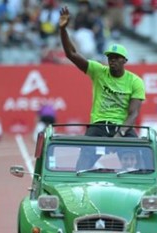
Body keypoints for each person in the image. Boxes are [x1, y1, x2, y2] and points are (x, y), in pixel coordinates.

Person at [59, 6, 145, 169]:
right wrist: (63, 30)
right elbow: (71, 54)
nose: (112, 60)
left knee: (142, 159)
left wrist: (120, 134)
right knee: (81, 166)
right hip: (98, 125)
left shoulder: (135, 81)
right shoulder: (98, 71)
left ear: (124, 61)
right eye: (109, 57)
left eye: (116, 58)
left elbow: (133, 113)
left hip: (122, 125)